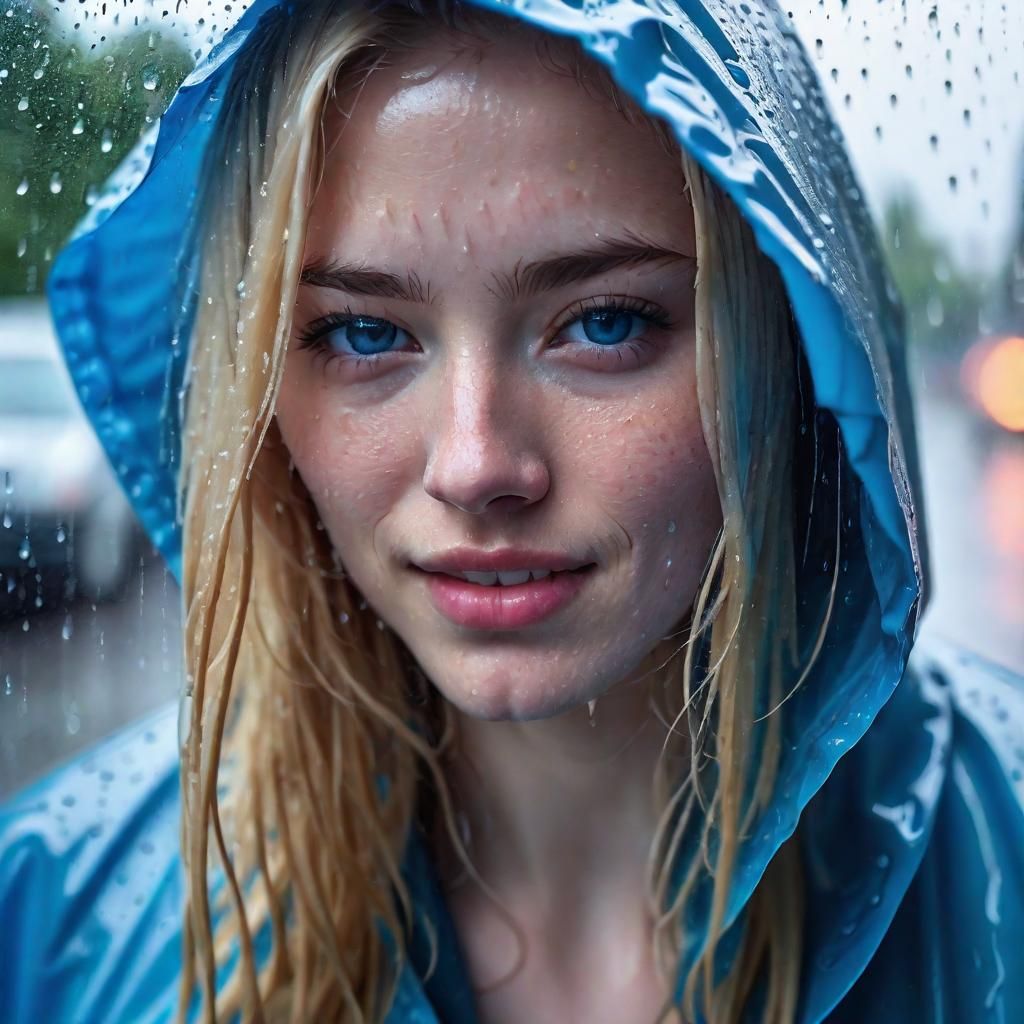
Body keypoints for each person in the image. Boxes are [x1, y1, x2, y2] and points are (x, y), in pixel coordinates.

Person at [1, 0, 1022, 1021]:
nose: (475, 464)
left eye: (605, 323)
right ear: (263, 388)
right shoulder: (48, 923)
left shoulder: (998, 861)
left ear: (784, 348)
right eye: (361, 335)